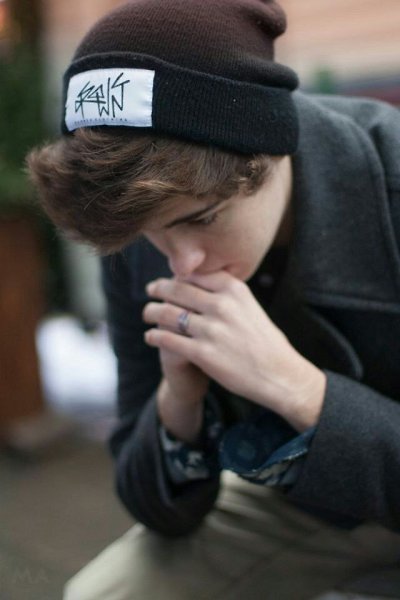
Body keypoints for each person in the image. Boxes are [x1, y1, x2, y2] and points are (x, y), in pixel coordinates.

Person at [27, 0, 400, 598]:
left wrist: (300, 391)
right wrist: (179, 403)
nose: (182, 263)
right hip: (305, 505)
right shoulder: (135, 236)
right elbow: (156, 509)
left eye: (203, 218)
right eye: (155, 234)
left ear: (272, 149)